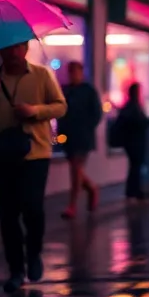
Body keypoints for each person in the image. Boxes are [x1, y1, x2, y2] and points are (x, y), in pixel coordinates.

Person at [0, 41, 67, 293]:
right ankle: (15, 270)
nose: (11, 52)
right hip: (0, 156)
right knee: (8, 214)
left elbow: (60, 106)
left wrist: (35, 111)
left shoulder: (42, 75)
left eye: (17, 47)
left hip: (35, 153)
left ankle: (33, 254)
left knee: (33, 209)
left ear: (26, 48)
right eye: (6, 48)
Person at [58, 62, 103, 218]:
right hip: (69, 137)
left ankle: (72, 205)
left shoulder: (88, 91)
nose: (72, 75)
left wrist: (87, 126)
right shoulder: (65, 90)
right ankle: (91, 187)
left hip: (83, 136)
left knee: (75, 169)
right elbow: (61, 111)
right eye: (70, 72)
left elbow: (97, 112)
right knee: (76, 169)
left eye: (75, 72)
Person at [110, 83, 149, 202]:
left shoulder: (130, 106)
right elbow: (138, 122)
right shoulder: (133, 107)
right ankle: (134, 192)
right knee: (135, 166)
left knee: (134, 166)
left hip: (132, 142)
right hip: (134, 142)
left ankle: (133, 192)